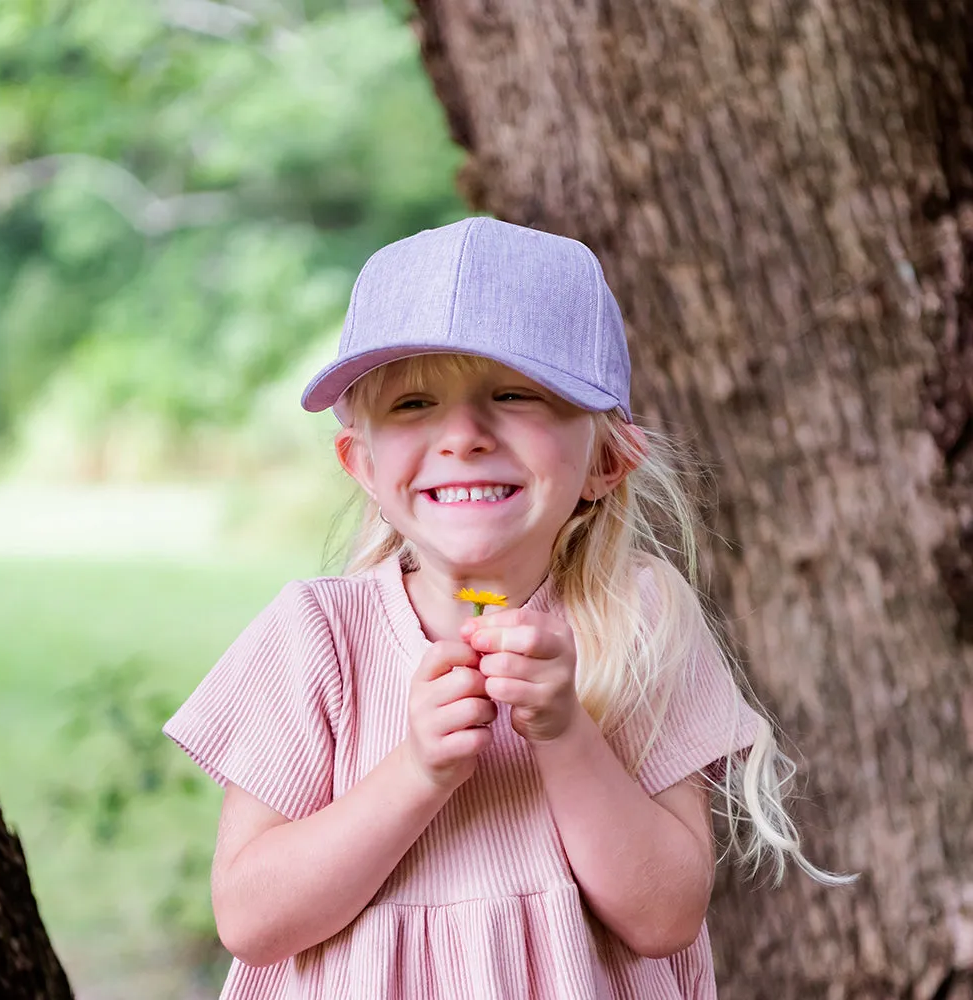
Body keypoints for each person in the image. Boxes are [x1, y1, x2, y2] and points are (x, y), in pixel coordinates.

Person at [164, 217, 847, 999]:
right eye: (415, 403)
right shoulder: (317, 637)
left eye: (514, 394)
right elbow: (252, 920)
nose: (463, 436)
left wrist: (565, 733)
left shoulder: (640, 621)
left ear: (605, 459)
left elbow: (664, 917)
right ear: (362, 463)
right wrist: (415, 771)